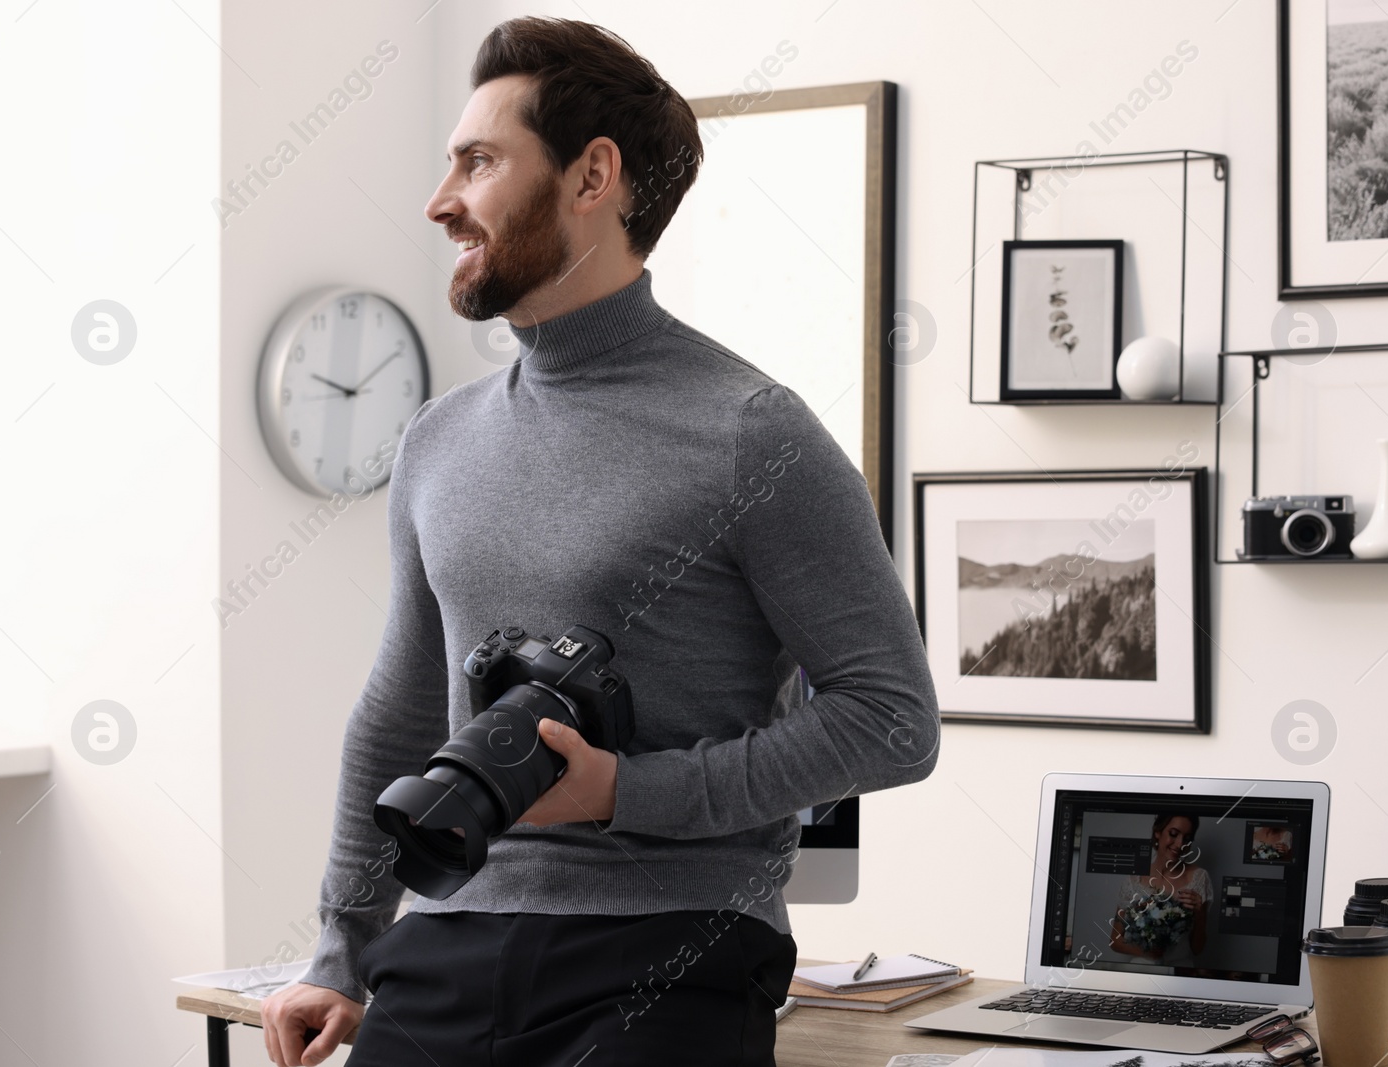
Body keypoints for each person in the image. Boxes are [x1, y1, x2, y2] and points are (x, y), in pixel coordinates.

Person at [259, 16, 939, 1067]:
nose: (441, 202)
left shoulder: (752, 431)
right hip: (445, 940)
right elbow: (396, 716)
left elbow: (892, 719)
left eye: (479, 162)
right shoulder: (437, 440)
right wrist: (340, 950)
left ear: (593, 177)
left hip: (670, 947)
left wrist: (626, 792)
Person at [1108, 814, 1211, 967]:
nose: (1179, 843)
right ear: (1158, 832)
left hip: (1180, 971)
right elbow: (1115, 941)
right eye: (1173, 834)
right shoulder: (1133, 882)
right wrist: (1147, 952)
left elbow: (1197, 949)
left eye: (1187, 838)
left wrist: (1200, 915)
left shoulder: (1199, 878)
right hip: (1143, 970)